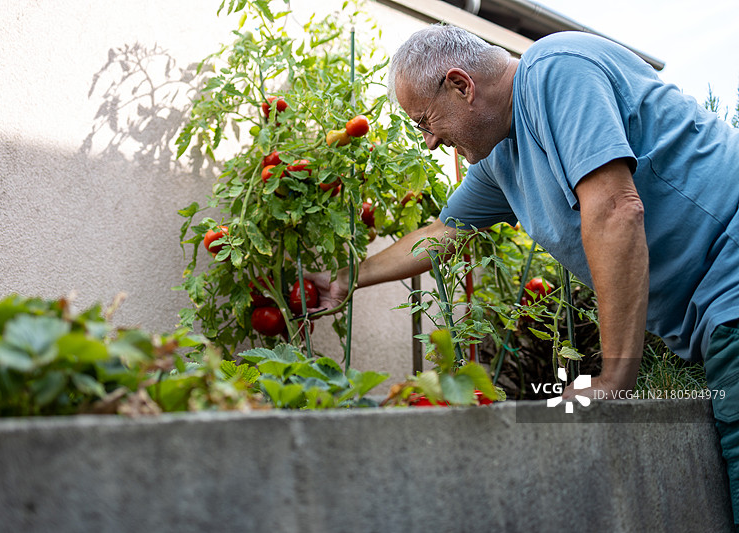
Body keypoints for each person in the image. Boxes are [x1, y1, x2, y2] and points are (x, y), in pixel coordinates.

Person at [308, 24, 739, 524]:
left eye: (425, 121)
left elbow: (616, 211)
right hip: (716, 317)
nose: (428, 143)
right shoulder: (501, 160)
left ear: (461, 85)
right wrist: (346, 279)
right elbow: (442, 234)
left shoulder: (557, 70)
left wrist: (615, 376)